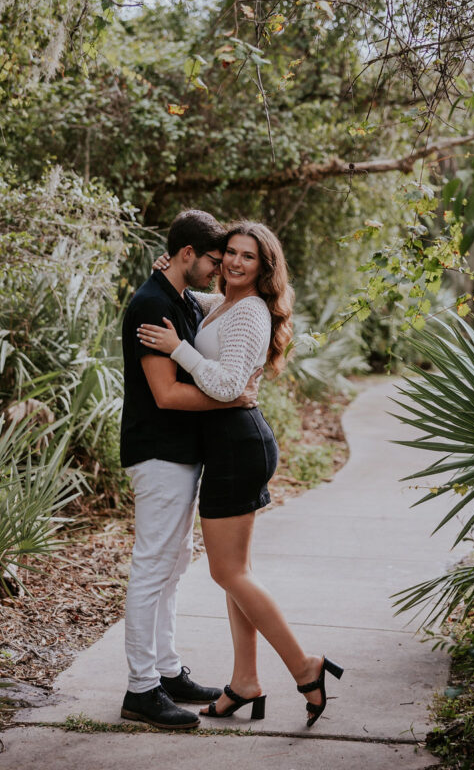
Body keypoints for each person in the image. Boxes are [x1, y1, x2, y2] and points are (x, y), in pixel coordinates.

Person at [137, 221, 343, 729]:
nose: (233, 263)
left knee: (229, 573)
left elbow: (228, 384)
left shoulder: (250, 312)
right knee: (236, 575)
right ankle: (245, 682)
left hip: (235, 444)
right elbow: (197, 302)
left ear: (264, 267)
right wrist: (166, 272)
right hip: (231, 442)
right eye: (228, 252)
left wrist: (177, 350)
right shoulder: (225, 304)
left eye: (247, 257)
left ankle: (305, 666)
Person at [119, 209, 260, 732]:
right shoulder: (153, 305)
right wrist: (231, 401)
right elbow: (167, 393)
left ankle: (168, 669)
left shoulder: (177, 296)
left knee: (175, 564)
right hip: (157, 453)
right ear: (186, 256)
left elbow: (221, 309)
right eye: (213, 261)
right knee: (153, 565)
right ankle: (140, 689)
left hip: (179, 454)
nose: (218, 270)